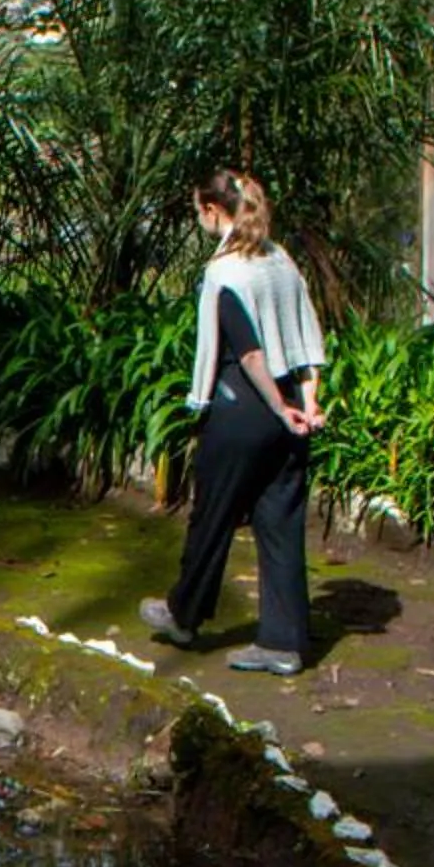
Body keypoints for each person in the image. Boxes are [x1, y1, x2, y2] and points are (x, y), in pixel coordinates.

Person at [138, 169, 326, 676]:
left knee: (213, 515)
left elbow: (248, 353)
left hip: (246, 405)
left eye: (198, 210)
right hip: (290, 408)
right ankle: (283, 645)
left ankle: (183, 615)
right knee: (281, 525)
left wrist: (274, 404)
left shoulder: (227, 270)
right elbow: (309, 339)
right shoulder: (281, 260)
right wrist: (305, 404)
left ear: (212, 211)